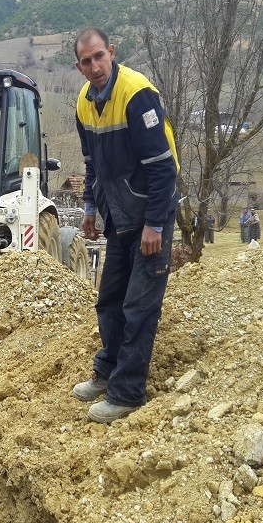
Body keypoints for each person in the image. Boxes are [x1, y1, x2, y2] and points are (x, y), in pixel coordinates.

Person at [70, 27, 179, 424]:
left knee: (138, 306)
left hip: (151, 215)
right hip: (118, 217)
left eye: (100, 56)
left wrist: (155, 224)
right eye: (87, 61)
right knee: (110, 299)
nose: (95, 66)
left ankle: (128, 393)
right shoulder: (84, 103)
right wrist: (90, 207)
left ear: (112, 52)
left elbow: (163, 167)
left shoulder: (137, 95)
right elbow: (92, 164)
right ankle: (107, 371)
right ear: (79, 67)